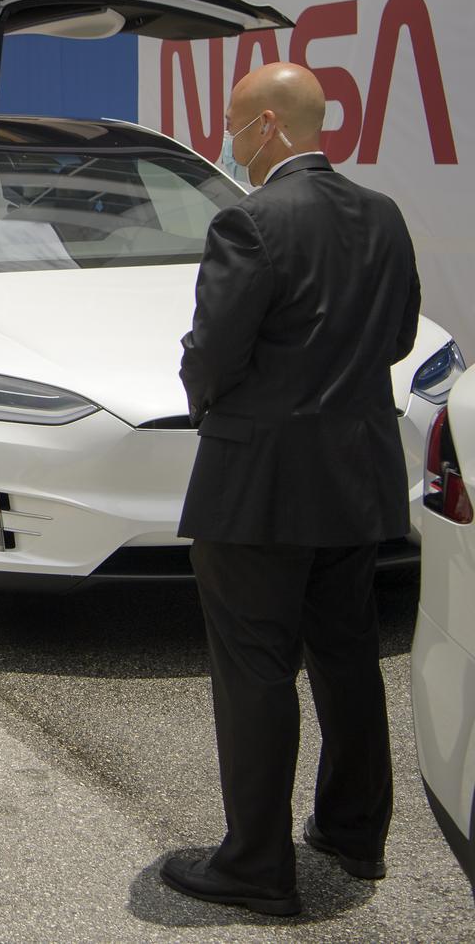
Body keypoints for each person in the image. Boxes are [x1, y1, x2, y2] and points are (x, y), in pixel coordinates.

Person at [160, 62, 421, 916]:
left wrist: (211, 399)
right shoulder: (382, 215)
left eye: (234, 124)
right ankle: (353, 832)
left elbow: (211, 353)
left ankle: (255, 865)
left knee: (255, 668)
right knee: (347, 654)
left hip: (259, 484)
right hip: (356, 477)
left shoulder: (250, 219)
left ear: (268, 126)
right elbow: (396, 333)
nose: (226, 140)